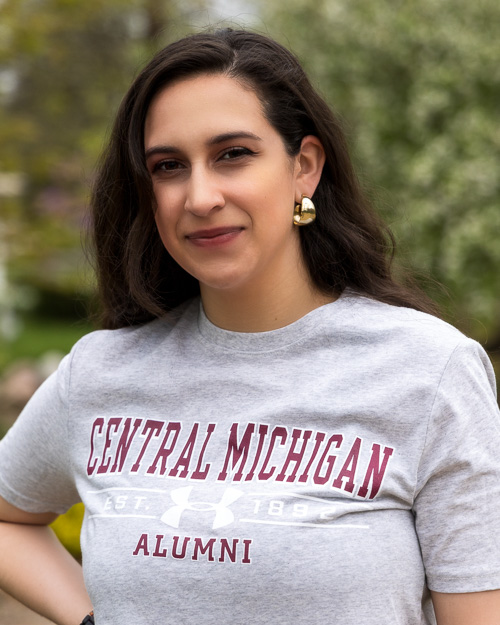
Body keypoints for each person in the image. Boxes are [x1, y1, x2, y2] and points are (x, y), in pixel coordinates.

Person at [0, 28, 499, 625]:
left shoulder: (429, 371)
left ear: (304, 168)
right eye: (168, 166)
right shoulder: (101, 372)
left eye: (232, 154)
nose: (201, 195)